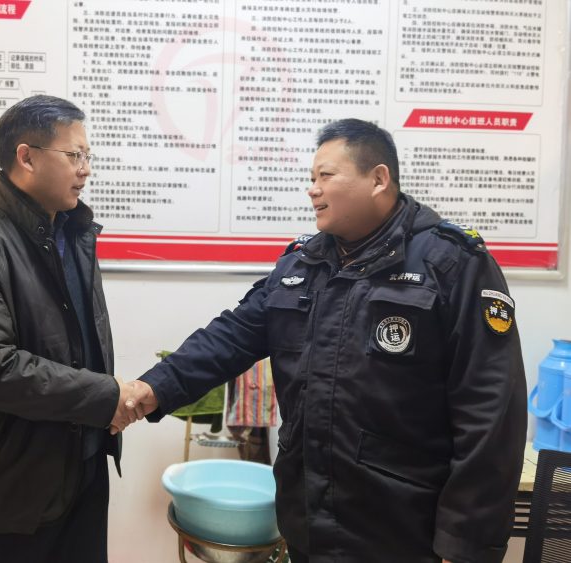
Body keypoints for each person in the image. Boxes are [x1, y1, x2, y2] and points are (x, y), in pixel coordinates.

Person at [127, 119, 528, 563]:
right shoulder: (303, 264)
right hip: (308, 523)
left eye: (326, 176)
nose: (312, 189)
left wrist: (465, 545)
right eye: (311, 177)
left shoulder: (451, 264)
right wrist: (152, 388)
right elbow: (230, 337)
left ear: (378, 179)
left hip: (405, 532)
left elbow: (490, 410)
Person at [0, 94, 141, 563]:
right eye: (75, 155)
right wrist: (108, 397)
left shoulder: (73, 231)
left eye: (88, 156)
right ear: (27, 157)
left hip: (84, 462)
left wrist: (104, 407)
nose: (86, 169)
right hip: (15, 479)